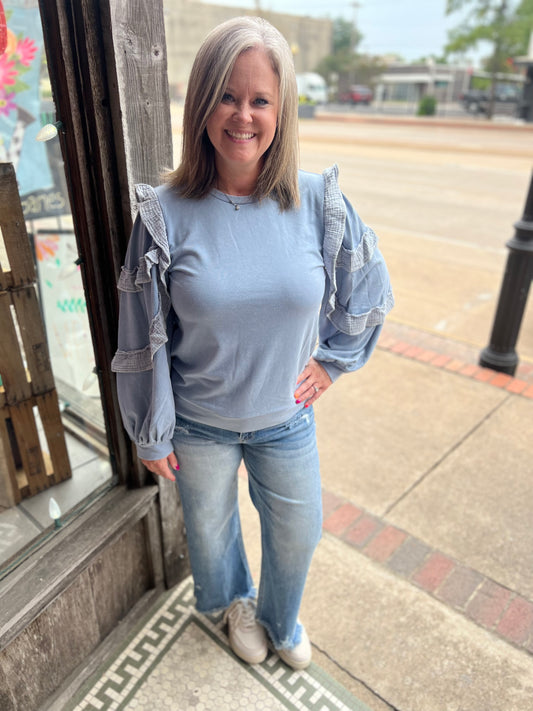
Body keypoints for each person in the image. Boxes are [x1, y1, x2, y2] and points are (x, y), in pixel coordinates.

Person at [111, 16, 393, 671]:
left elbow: (368, 287)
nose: (242, 115)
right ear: (202, 103)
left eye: (260, 99)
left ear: (281, 109)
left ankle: (278, 614)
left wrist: (333, 359)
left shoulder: (318, 200)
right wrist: (150, 429)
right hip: (199, 423)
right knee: (210, 536)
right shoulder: (163, 212)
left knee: (298, 529)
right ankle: (237, 602)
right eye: (226, 95)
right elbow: (139, 329)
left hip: (285, 419)